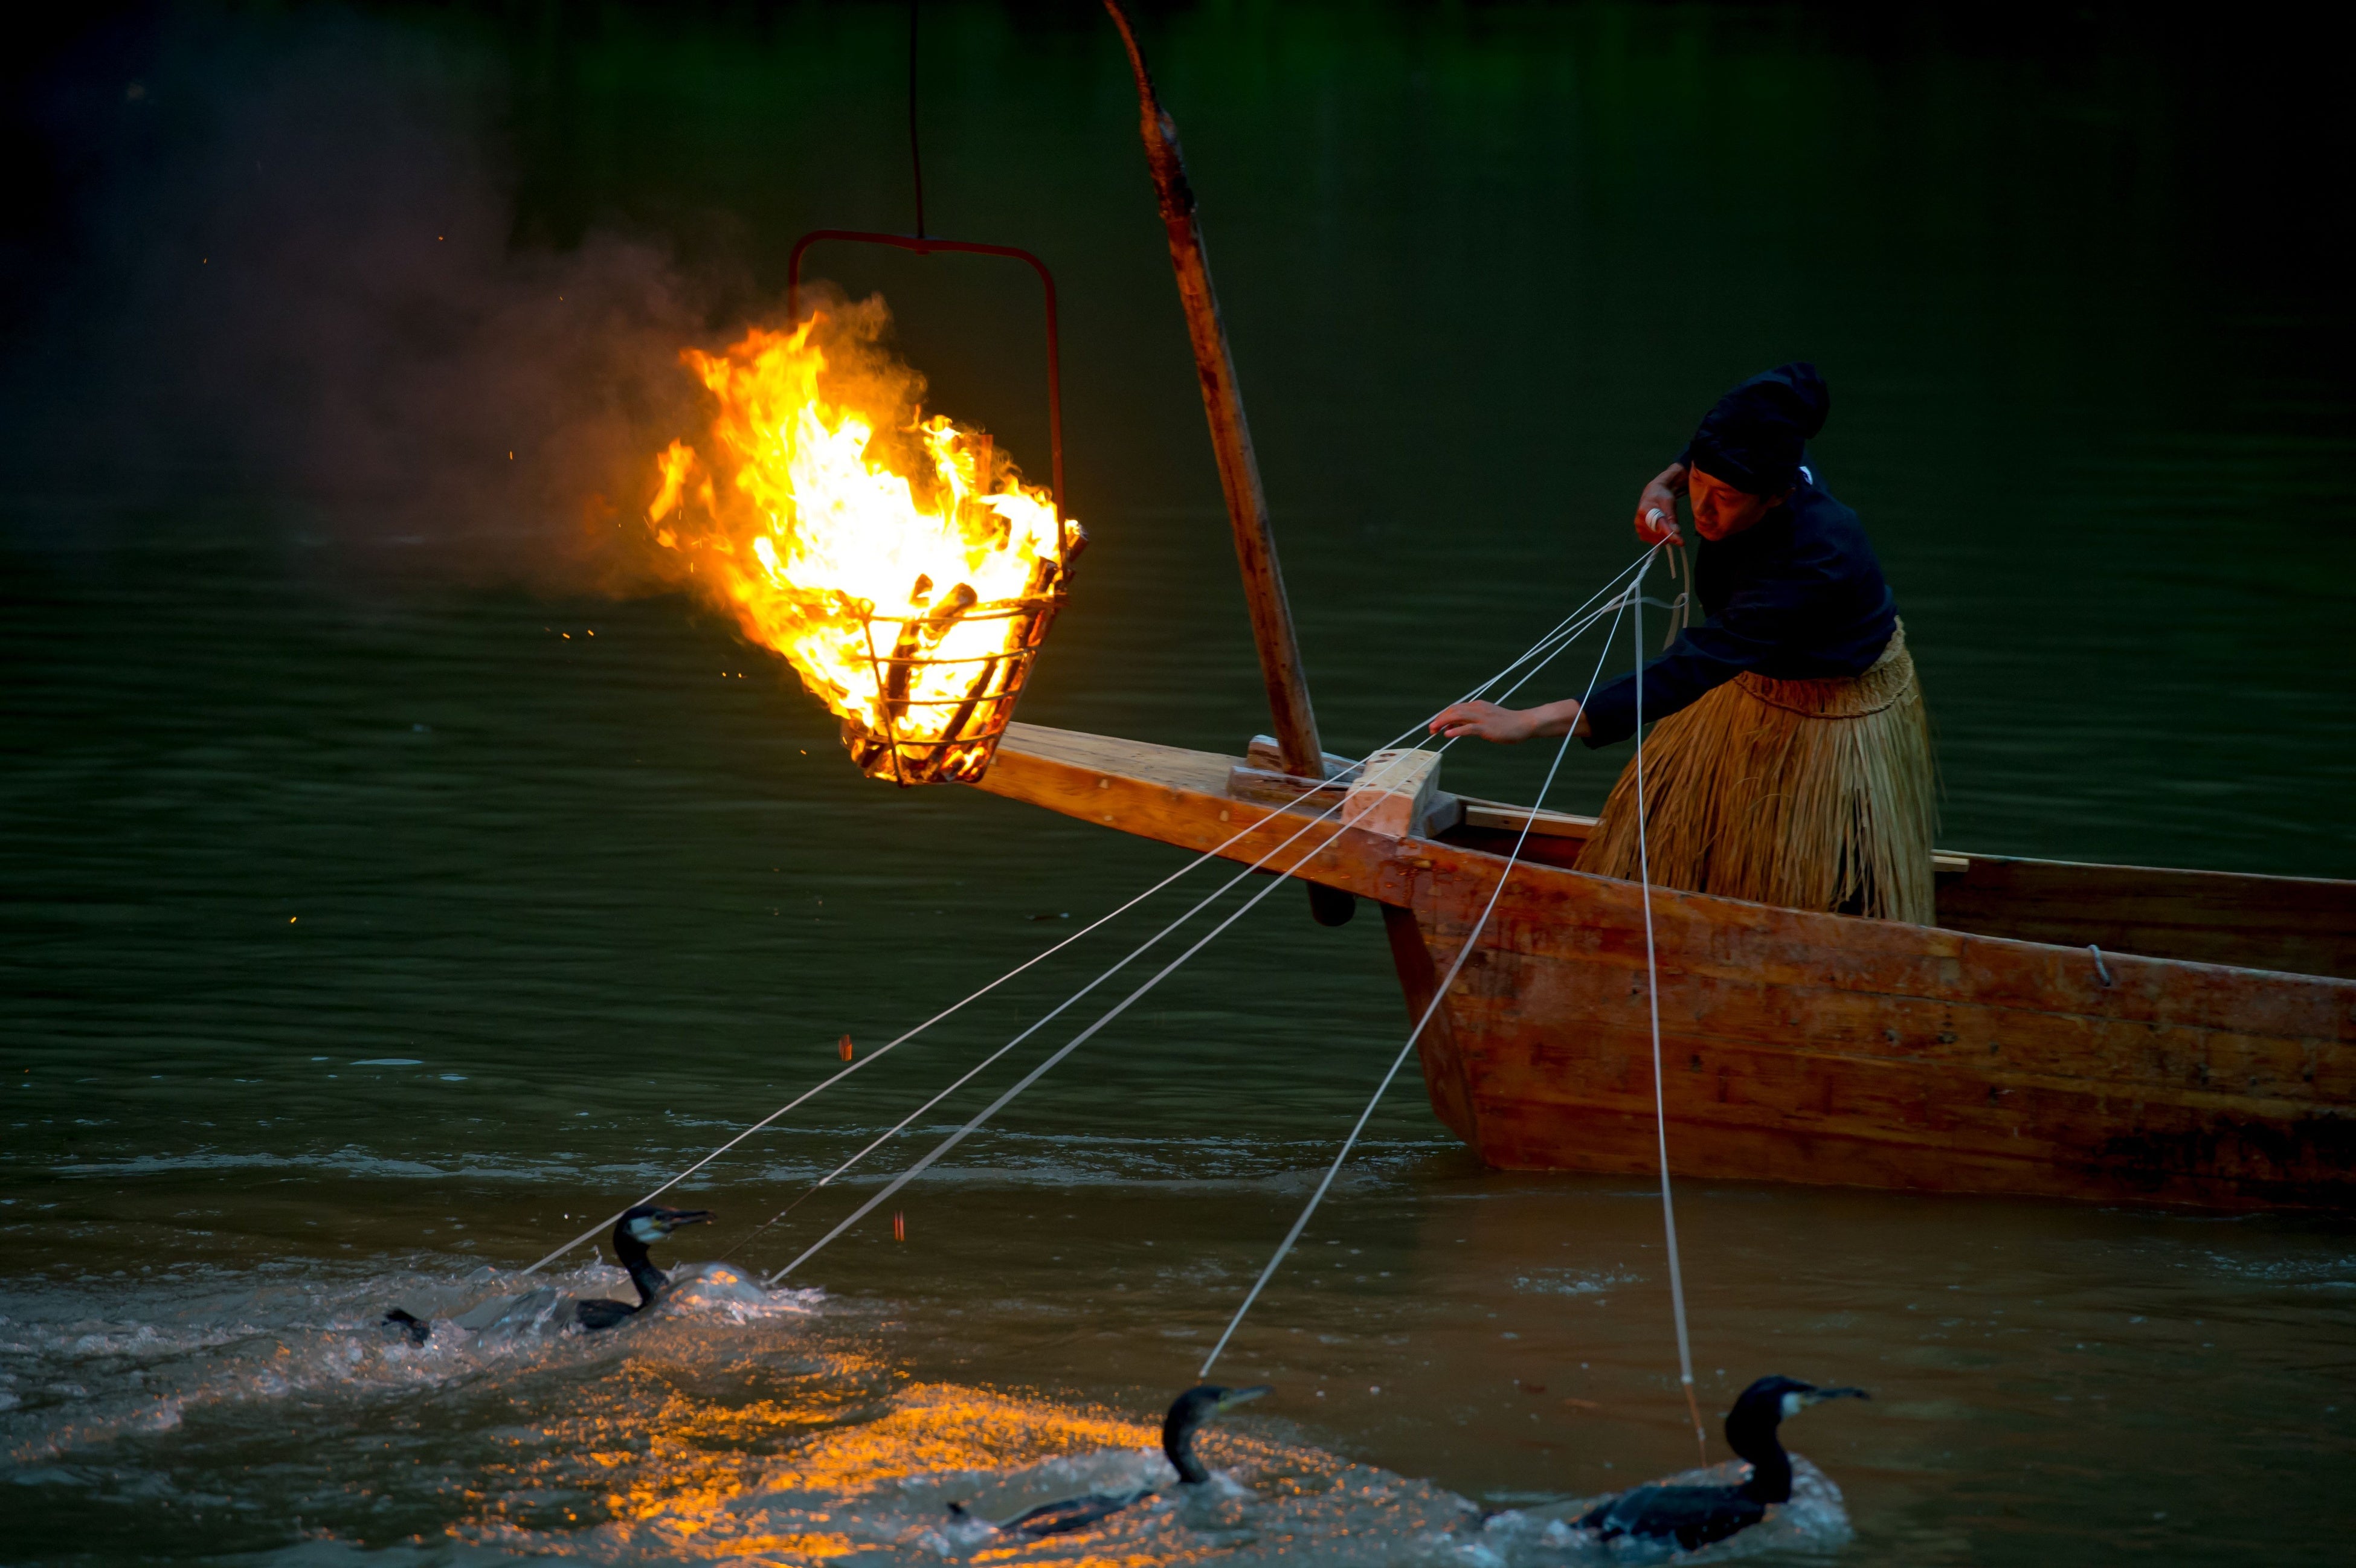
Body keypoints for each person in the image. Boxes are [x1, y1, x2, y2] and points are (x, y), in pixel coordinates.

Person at [1427, 363, 1936, 923]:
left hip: (1833, 709)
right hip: (1751, 684)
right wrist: (1665, 479)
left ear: (1777, 496)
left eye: (1725, 496)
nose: (1702, 508)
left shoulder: (1815, 558)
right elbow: (1777, 391)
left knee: (1817, 892)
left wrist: (1531, 721)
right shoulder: (1760, 441)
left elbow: (1694, 666)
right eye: (1698, 483)